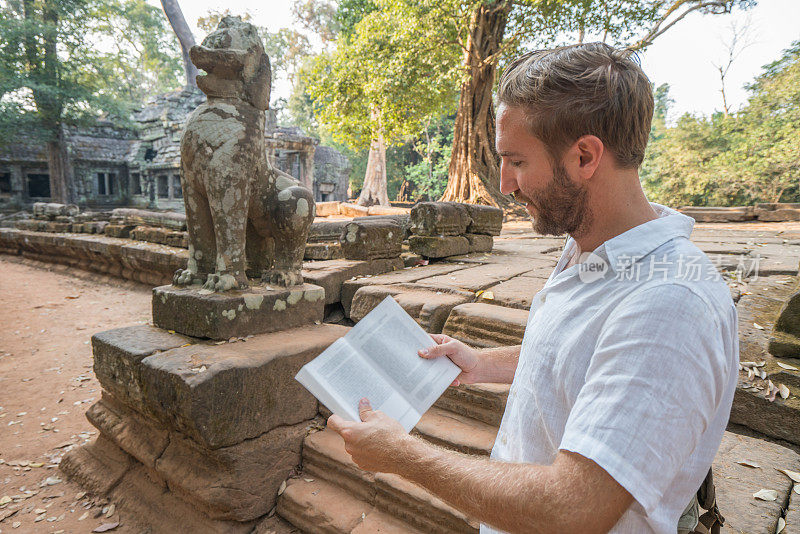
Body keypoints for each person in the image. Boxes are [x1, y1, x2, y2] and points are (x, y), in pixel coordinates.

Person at [327, 42, 738, 534]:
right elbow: (586, 353)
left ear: (584, 156)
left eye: (517, 161)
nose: (505, 184)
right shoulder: (589, 245)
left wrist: (405, 456)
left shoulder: (671, 306)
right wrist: (483, 364)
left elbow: (574, 508)